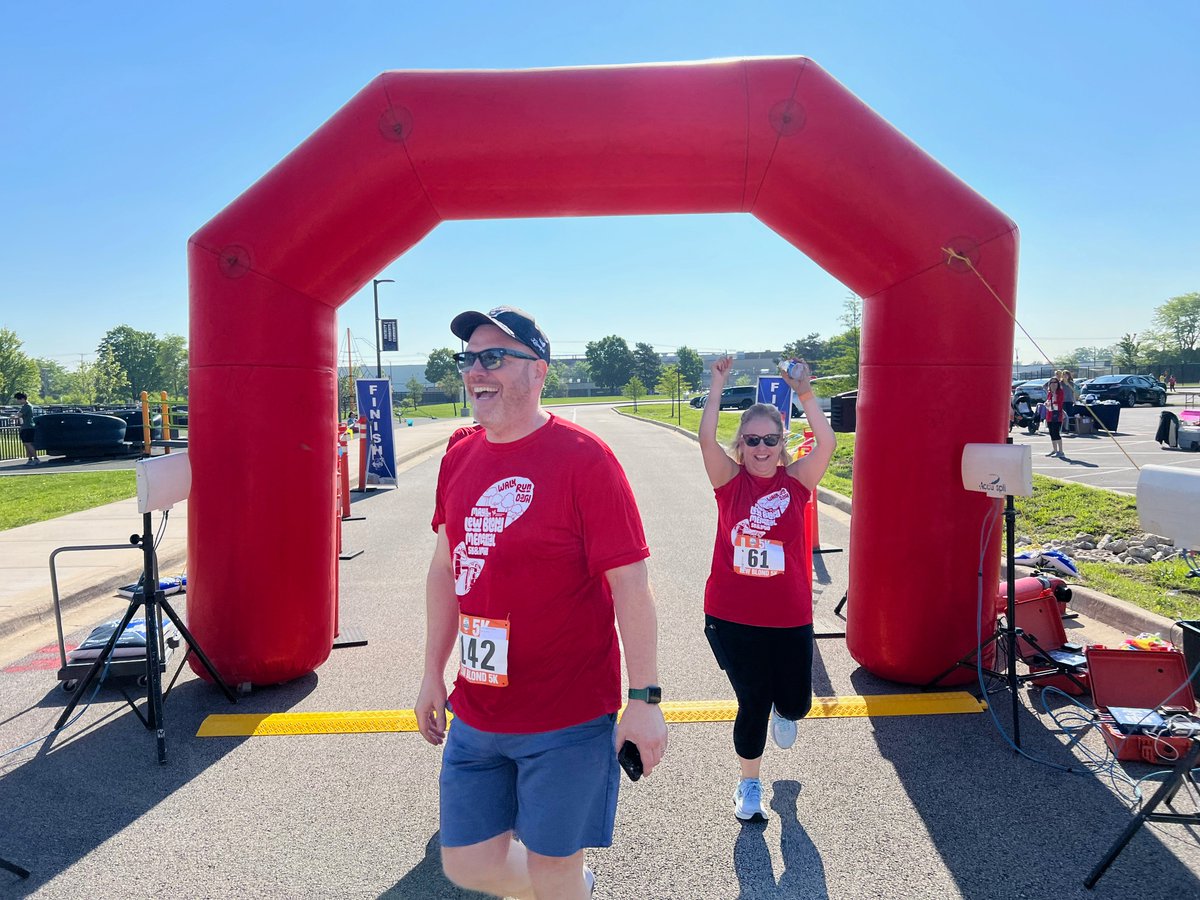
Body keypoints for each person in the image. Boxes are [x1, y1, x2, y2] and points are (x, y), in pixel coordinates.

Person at [414, 306, 668, 899]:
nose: (477, 369)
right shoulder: (459, 454)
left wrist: (646, 699)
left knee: (553, 872)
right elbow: (444, 567)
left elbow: (631, 586)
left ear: (539, 372)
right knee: (468, 864)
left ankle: (564, 883)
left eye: (495, 356)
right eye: (470, 358)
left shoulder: (585, 459)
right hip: (477, 711)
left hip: (568, 717)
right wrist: (431, 671)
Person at [698, 355, 834, 822]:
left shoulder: (796, 482)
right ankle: (748, 784)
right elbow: (704, 438)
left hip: (789, 615)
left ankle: (785, 708)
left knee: (795, 703)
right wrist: (717, 385)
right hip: (731, 615)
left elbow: (829, 443)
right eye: (752, 440)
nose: (760, 448)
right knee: (751, 699)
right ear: (742, 445)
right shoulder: (729, 483)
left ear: (781, 444)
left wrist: (806, 393)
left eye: (770, 440)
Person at [1044, 376, 1066, 457]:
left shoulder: (1060, 392)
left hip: (1057, 415)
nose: (1053, 384)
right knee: (1051, 433)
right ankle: (1055, 450)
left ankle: (1061, 451)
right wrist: (1047, 403)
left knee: (1056, 432)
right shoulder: (1049, 392)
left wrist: (1054, 394)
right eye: (1052, 383)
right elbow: (1048, 401)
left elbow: (1059, 402)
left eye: (1055, 382)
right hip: (1049, 414)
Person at [14, 392, 37, 466]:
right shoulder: (25, 406)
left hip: (28, 427)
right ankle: (30, 459)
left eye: (18, 399)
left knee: (28, 443)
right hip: (25, 427)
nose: (18, 401)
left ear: (23, 399)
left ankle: (36, 459)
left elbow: (19, 415)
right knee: (26, 444)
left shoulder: (27, 406)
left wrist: (13, 416)